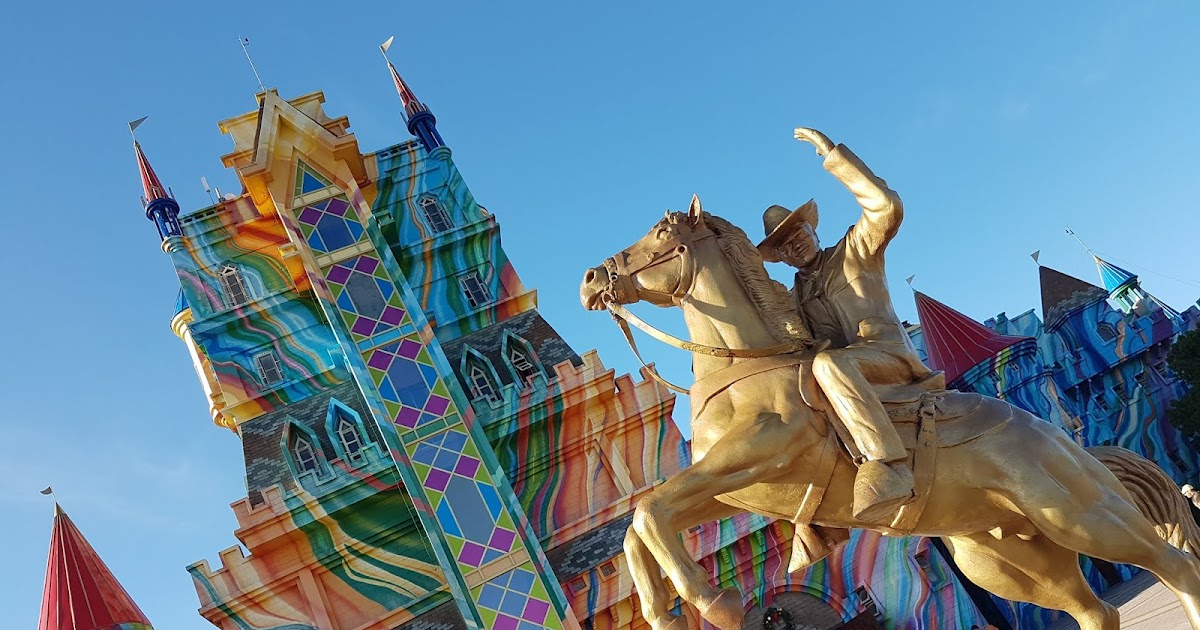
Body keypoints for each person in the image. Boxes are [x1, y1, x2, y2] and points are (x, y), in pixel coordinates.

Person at [758, 128, 933, 522]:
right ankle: (815, 524)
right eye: (784, 244)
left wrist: (833, 156)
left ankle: (889, 466)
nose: (795, 244)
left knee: (829, 365)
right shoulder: (797, 299)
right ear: (781, 258)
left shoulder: (856, 249)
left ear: (813, 229)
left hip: (887, 358)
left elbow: (886, 207)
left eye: (798, 232)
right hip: (850, 384)